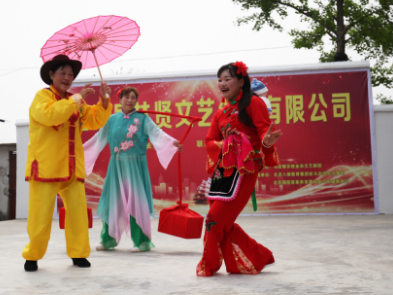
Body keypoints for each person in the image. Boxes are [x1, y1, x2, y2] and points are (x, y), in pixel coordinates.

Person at [23, 54, 113, 272]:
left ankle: (79, 254)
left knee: (78, 215)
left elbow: (94, 120)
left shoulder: (76, 100)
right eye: (62, 72)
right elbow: (52, 116)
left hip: (72, 168)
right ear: (51, 75)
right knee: (40, 217)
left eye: (71, 74)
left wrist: (103, 101)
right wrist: (75, 100)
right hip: (46, 167)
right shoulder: (41, 98)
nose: (67, 77)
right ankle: (32, 256)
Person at [196, 61, 282, 277]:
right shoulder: (220, 113)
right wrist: (224, 144)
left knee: (213, 220)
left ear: (241, 81)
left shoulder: (253, 103)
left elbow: (263, 130)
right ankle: (259, 256)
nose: (222, 83)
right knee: (221, 222)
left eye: (228, 79)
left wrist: (268, 141)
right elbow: (209, 141)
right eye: (220, 79)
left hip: (245, 169)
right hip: (222, 172)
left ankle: (209, 265)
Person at [83, 87, 183, 252]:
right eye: (126, 97)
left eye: (133, 98)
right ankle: (108, 240)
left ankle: (141, 241)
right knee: (111, 202)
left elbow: (157, 134)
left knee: (135, 203)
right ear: (120, 98)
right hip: (116, 167)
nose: (130, 100)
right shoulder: (112, 119)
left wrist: (173, 143)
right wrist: (80, 151)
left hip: (135, 168)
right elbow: (98, 138)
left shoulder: (143, 119)